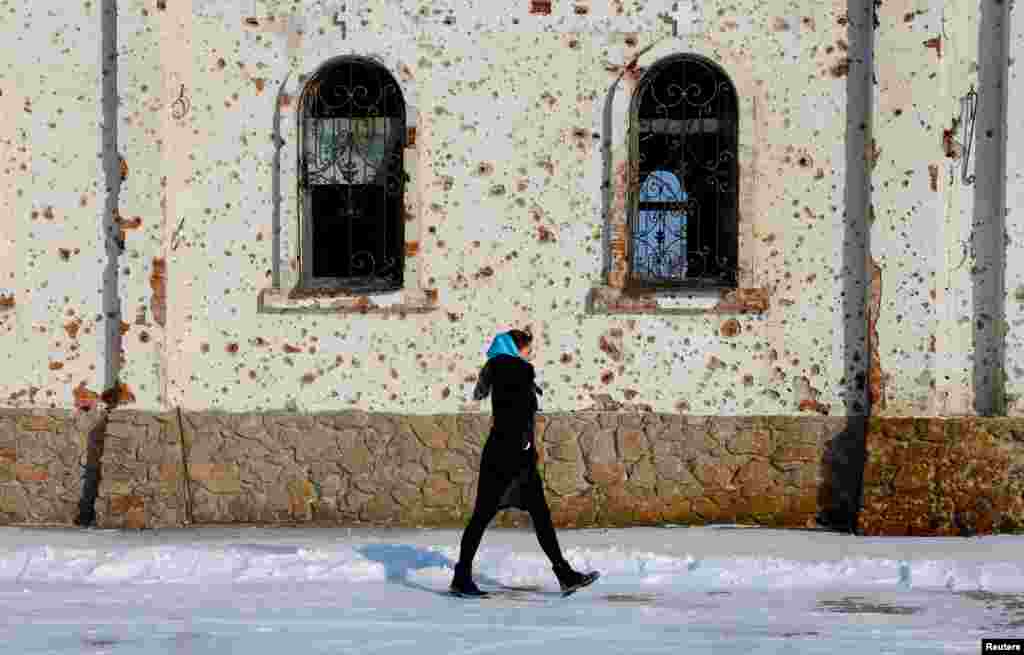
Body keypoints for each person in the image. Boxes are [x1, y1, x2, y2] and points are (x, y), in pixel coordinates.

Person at [450, 329, 599, 597]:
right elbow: (517, 413)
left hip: (501, 452)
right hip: (514, 455)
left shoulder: (497, 368)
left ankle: (564, 574)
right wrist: (525, 444)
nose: (530, 353)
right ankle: (462, 577)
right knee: (517, 515)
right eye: (528, 348)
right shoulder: (517, 370)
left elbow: (504, 409)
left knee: (490, 516)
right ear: (517, 348)